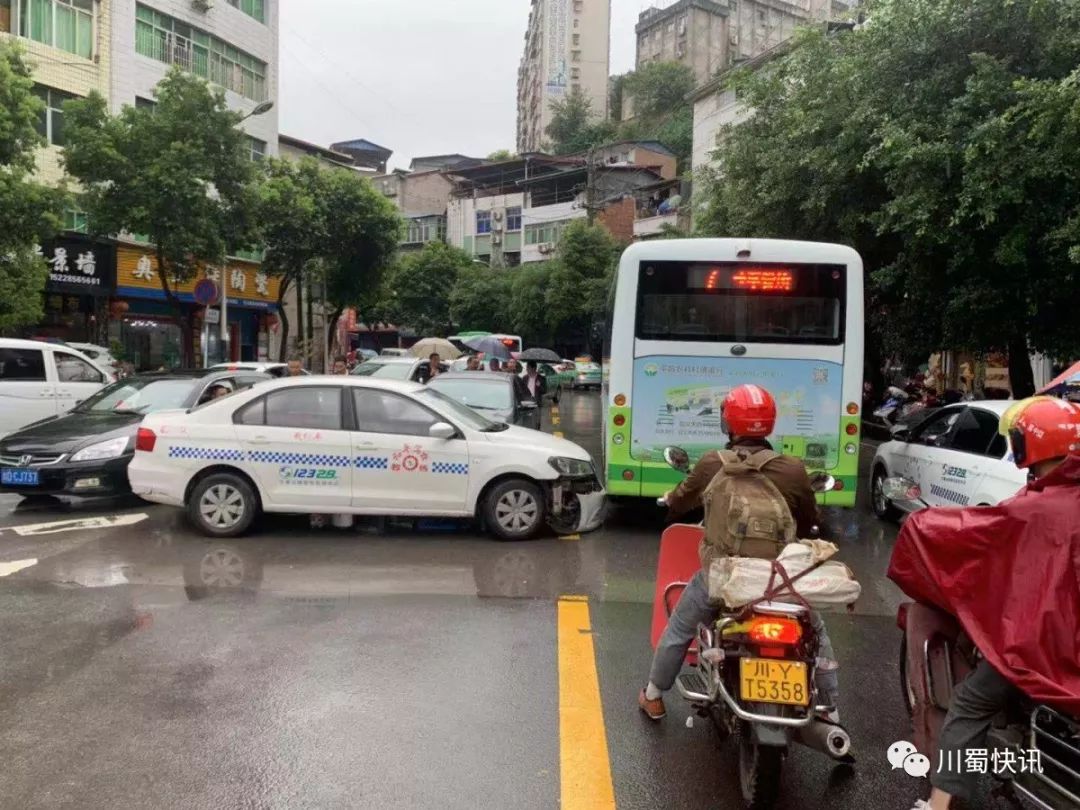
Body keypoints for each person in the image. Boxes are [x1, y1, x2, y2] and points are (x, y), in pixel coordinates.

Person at [909, 397, 1080, 810]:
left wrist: (921, 525)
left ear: (1030, 446)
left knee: (969, 703)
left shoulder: (1035, 507)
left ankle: (940, 804)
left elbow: (978, 534)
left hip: (1047, 651)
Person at [638, 384, 840, 722]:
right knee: (816, 633)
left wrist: (670, 503)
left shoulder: (711, 464)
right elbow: (808, 520)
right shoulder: (792, 469)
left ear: (727, 422)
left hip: (723, 577)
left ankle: (654, 695)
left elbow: (681, 499)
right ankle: (832, 714)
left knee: (679, 628)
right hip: (779, 580)